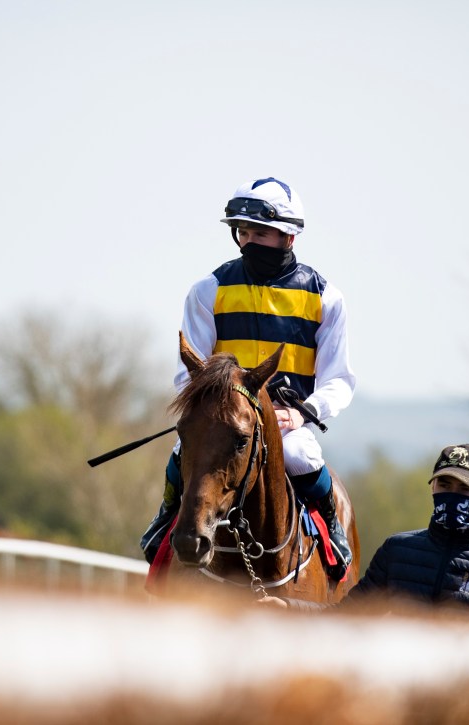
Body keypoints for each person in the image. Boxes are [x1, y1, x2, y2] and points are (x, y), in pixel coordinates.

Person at [141, 177, 356, 581]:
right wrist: (211, 412)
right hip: (227, 417)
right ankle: (166, 518)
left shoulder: (327, 298)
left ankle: (332, 529)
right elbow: (186, 372)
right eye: (242, 232)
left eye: (260, 232)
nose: (248, 241)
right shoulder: (208, 290)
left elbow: (339, 379)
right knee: (182, 451)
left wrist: (305, 413)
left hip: (286, 420)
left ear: (289, 237)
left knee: (299, 456)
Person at [264, 443, 469, 625]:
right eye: (445, 484)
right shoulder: (397, 552)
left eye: (465, 489)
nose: (452, 495)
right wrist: (287, 607)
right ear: (432, 488)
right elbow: (348, 614)